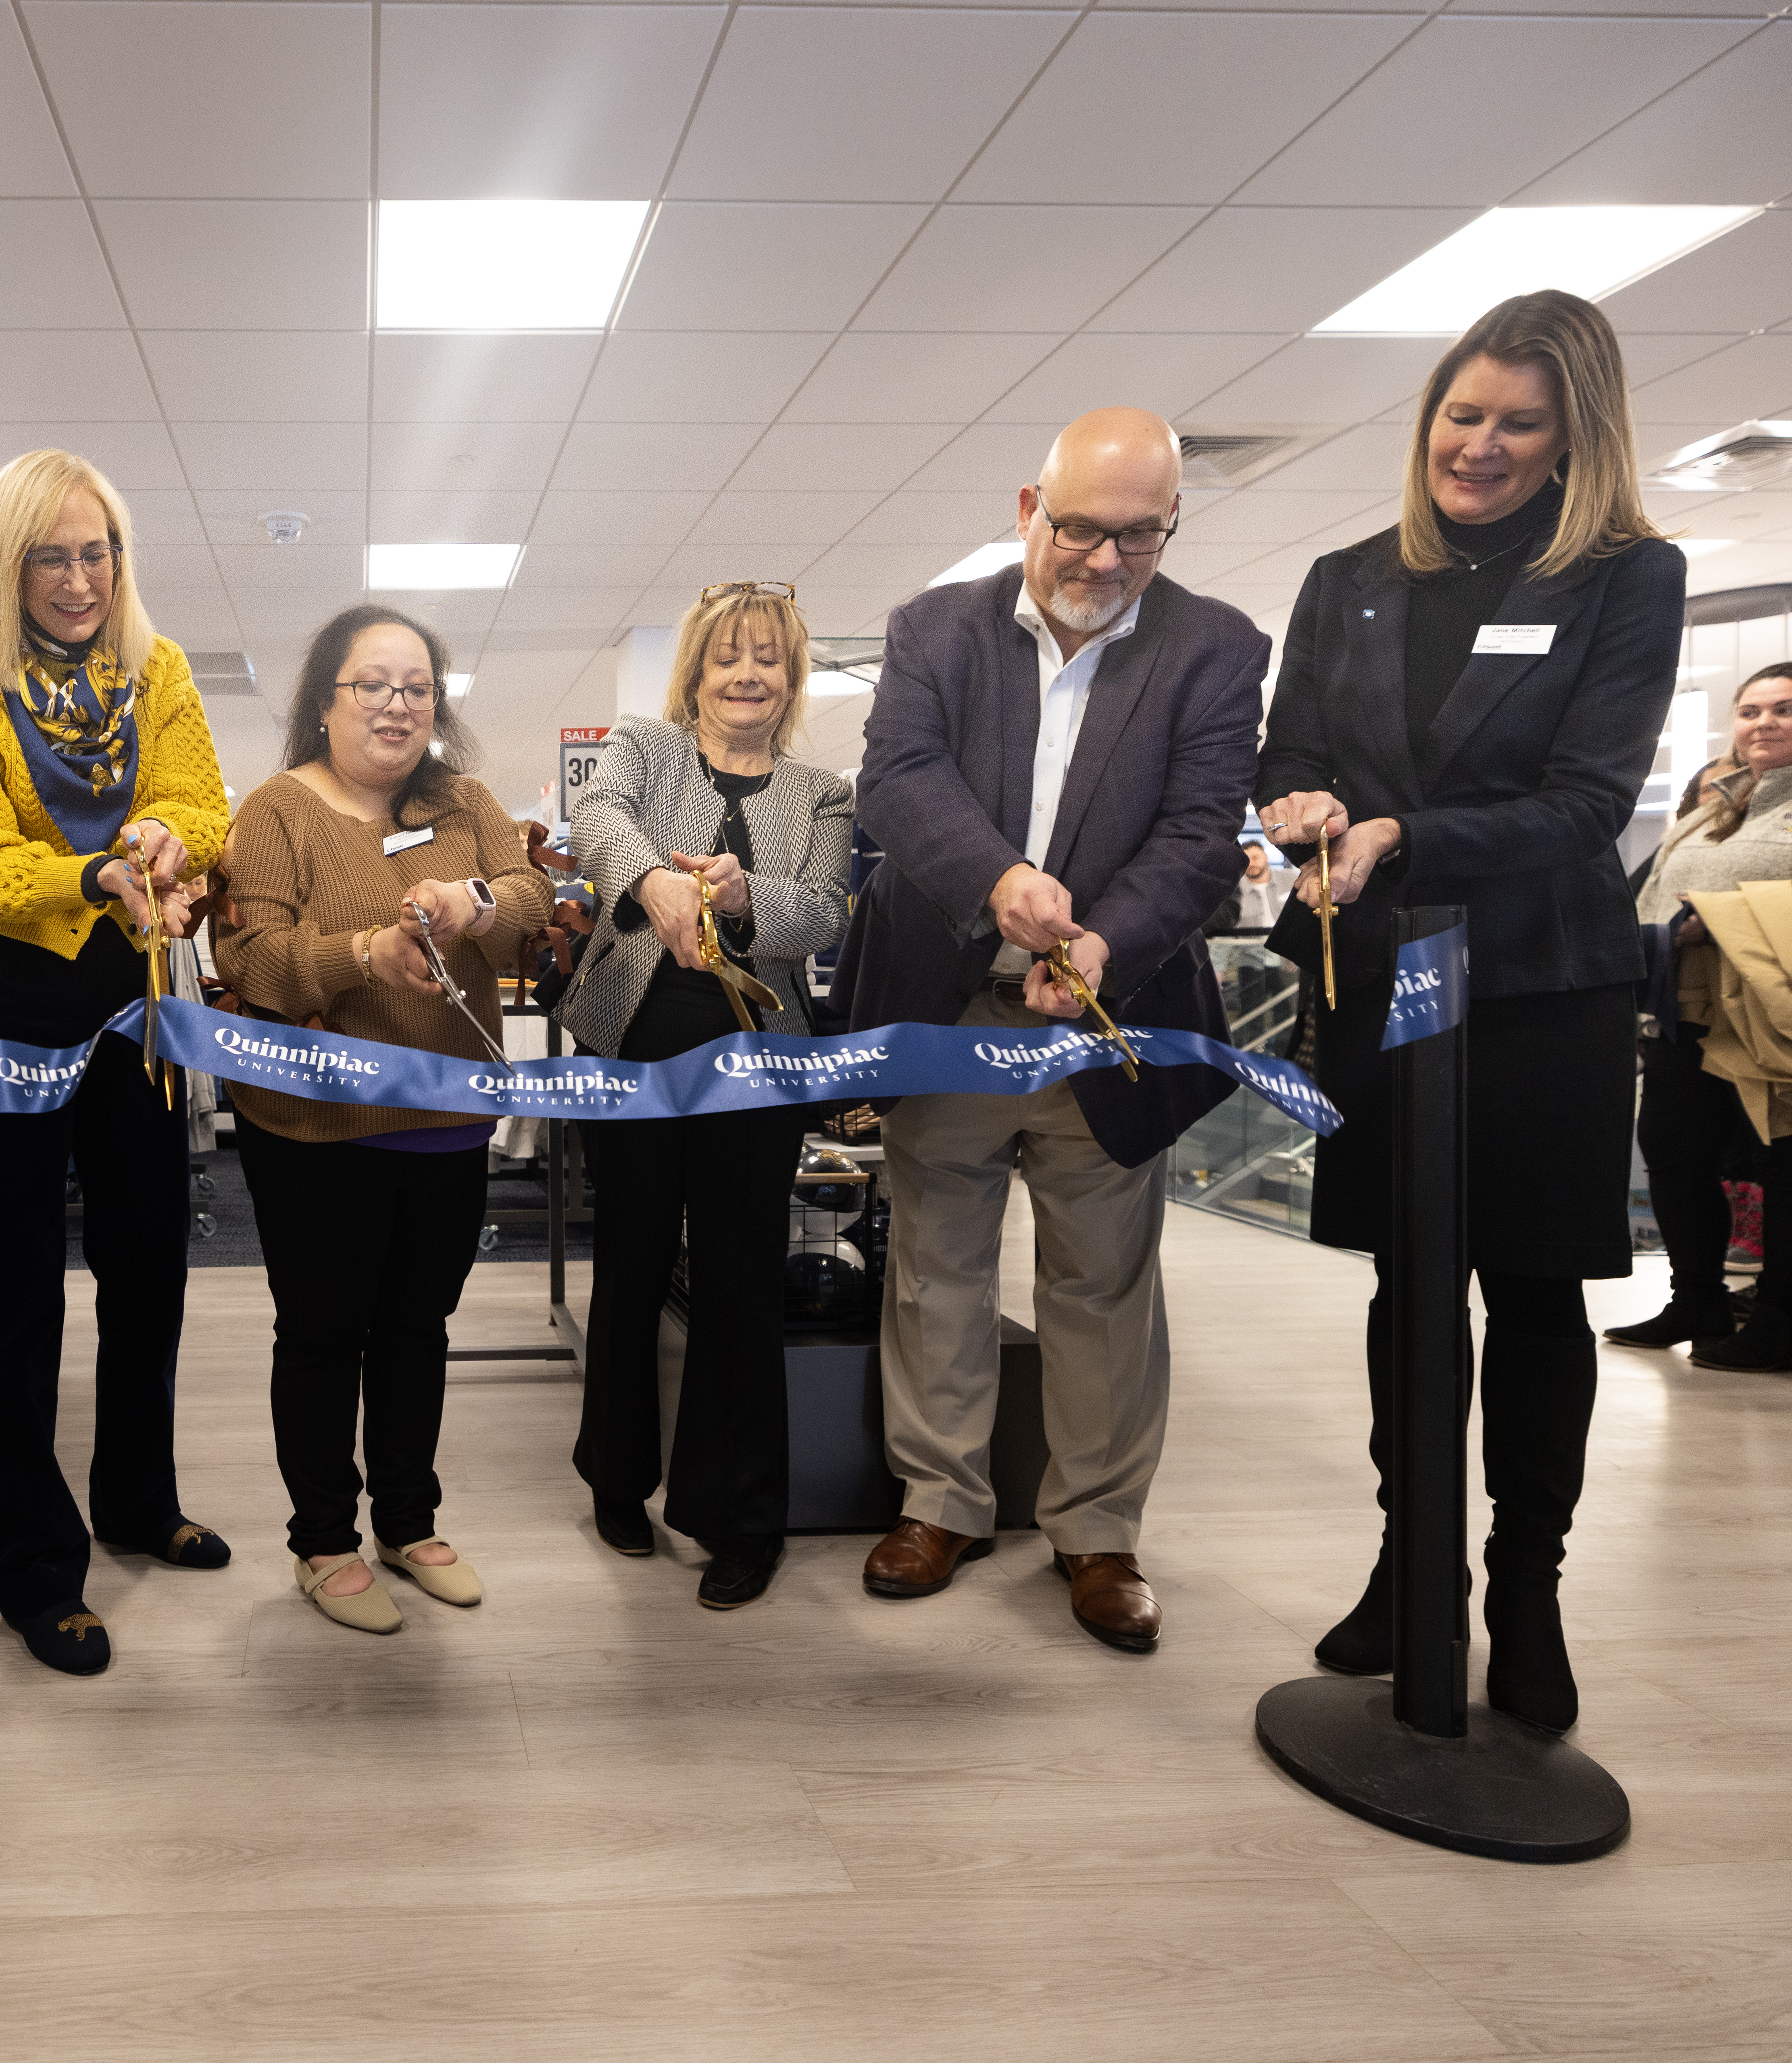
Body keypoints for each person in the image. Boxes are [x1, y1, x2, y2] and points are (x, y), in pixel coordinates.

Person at [1257, 289, 1684, 1735]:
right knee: (1409, 1283)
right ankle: (1412, 1563)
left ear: (1574, 438)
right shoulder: (1347, 576)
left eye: (1517, 423)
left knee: (1534, 1292)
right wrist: (1303, 807)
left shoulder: (1626, 578)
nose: (1479, 446)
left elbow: (1585, 804)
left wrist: (1399, 833)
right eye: (1460, 414)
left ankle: (1526, 1585)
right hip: (1389, 978)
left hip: (1541, 986)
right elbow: (1289, 751)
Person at [831, 409, 1266, 1654]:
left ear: (1171, 524)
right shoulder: (933, 629)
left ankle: (1098, 1530)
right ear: (1029, 508)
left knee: (1102, 1282)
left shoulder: (1215, 646)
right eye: (1080, 529)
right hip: (952, 1008)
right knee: (937, 1266)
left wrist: (1099, 943)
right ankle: (940, 1503)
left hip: (1107, 1021)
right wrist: (1003, 883)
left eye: (1140, 535)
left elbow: (1199, 833)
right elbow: (899, 781)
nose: (1105, 559)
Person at [0, 447, 231, 1677]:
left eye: (97, 552)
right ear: (8, 563)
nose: (79, 579)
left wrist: (163, 833)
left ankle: (139, 1500)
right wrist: (98, 872)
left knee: (149, 1260)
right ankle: (33, 1565)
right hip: (13, 997)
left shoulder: (157, 668)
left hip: (136, 995)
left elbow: (203, 807)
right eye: (50, 555)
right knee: (12, 1290)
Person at [210, 605, 555, 1633]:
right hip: (316, 1128)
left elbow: (532, 897)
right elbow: (252, 958)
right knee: (322, 1334)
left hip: (447, 1121)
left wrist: (475, 904)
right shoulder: (276, 810)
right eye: (373, 684)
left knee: (418, 1329)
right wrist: (364, 953)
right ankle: (323, 1540)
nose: (397, 705)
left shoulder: (465, 801)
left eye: (418, 687)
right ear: (327, 700)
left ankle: (408, 1522)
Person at [561, 582, 854, 1610]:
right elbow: (596, 817)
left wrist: (742, 895)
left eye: (768, 658)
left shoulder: (822, 792)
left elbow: (821, 912)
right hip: (632, 1050)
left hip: (757, 1071)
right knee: (630, 1268)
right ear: (696, 669)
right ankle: (616, 1478)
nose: (748, 675)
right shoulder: (645, 747)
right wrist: (656, 881)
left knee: (740, 1287)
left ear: (792, 675)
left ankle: (741, 1517)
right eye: (729, 655)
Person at [1617, 665, 1792, 1369]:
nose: (1765, 722)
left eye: (1784, 709)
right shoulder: (1714, 805)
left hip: (1772, 1019)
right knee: (1673, 1152)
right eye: (1751, 711)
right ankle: (1697, 1300)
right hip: (1685, 1011)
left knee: (1783, 1167)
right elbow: (1655, 891)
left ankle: (1781, 1316)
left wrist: (1722, 916)